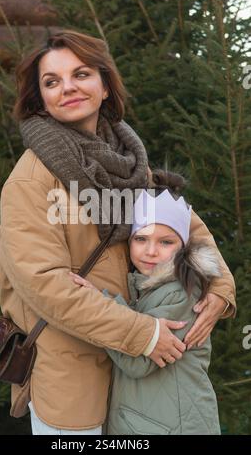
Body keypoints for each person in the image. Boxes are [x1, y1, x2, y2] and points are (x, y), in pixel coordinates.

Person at [0, 28, 236, 435]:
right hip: (73, 374)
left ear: (105, 85)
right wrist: (139, 333)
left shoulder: (128, 162)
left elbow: (188, 228)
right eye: (51, 82)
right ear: (41, 98)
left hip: (141, 382)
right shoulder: (30, 180)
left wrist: (221, 288)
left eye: (82, 74)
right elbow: (44, 284)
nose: (68, 87)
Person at [70, 169, 223, 435]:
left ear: (183, 246)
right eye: (141, 239)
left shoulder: (182, 292)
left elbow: (138, 361)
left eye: (165, 242)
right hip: (149, 422)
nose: (151, 251)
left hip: (175, 426)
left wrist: (99, 302)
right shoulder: (146, 287)